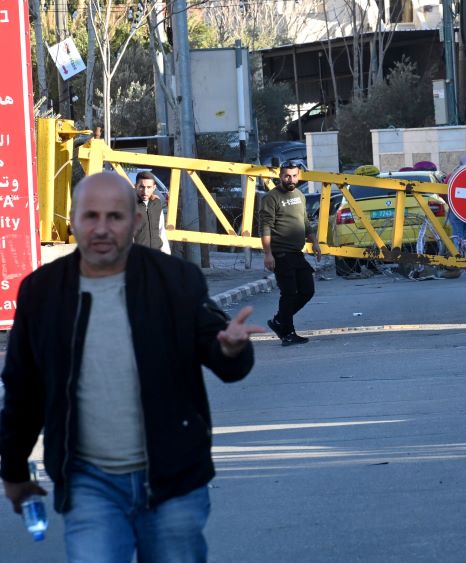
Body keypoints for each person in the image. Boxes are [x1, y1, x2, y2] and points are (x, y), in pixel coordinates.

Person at [0, 172, 262, 562]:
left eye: (115, 217)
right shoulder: (43, 291)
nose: (102, 228)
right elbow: (22, 389)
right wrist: (15, 471)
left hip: (173, 479)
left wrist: (231, 349)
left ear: (136, 221)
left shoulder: (176, 280)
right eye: (90, 216)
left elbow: (224, 361)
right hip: (89, 483)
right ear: (72, 219)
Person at [260, 160, 322, 346]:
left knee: (307, 290)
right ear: (280, 176)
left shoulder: (300, 196)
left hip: (296, 253)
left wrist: (315, 242)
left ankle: (280, 320)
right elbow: (265, 227)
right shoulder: (271, 198)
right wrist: (268, 254)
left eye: (294, 175)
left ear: (299, 176)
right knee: (289, 293)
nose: (291, 179)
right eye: (287, 175)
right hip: (280, 253)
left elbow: (304, 222)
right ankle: (288, 333)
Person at [133, 171, 170, 254]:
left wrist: (166, 256)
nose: (145, 191)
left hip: (156, 256)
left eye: (149, 187)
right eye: (142, 187)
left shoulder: (157, 203)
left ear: (154, 188)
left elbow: (161, 231)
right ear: (136, 186)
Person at [447, 155, 466, 254]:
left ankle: (457, 254)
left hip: (455, 209)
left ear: (460, 163)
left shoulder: (453, 174)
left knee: (457, 233)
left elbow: (447, 192)